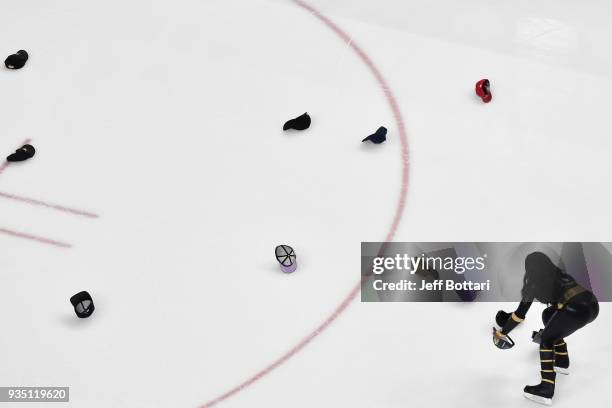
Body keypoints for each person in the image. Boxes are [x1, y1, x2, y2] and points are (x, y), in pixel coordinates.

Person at [494, 251, 599, 405]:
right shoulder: (561, 276)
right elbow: (562, 303)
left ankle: (546, 389)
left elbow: (519, 315)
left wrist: (502, 333)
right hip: (592, 306)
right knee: (548, 315)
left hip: (576, 310)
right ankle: (562, 361)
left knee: (546, 340)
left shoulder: (534, 284)